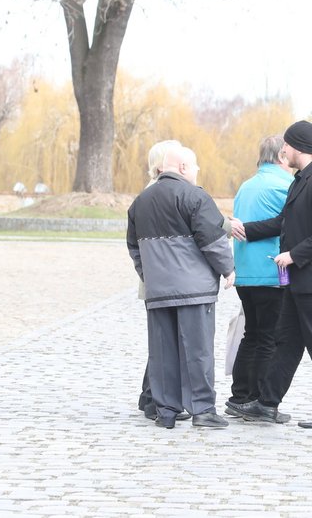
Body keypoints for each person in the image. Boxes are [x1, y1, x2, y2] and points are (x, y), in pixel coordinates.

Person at [229, 120, 312, 429]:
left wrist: (293, 255)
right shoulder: (301, 179)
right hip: (302, 281)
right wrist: (242, 229)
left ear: (297, 148)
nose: (282, 150)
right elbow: (282, 222)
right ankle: (267, 404)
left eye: (286, 145)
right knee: (287, 342)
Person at [127, 145, 235, 429]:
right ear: (184, 168)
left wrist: (149, 274)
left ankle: (166, 412)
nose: (197, 171)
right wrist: (228, 269)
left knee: (162, 353)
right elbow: (213, 240)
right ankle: (203, 410)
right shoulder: (195, 196)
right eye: (195, 165)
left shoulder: (140, 202)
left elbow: (134, 247)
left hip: (158, 291)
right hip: (194, 291)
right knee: (198, 351)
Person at [224, 135, 295, 423]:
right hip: (271, 271)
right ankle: (260, 400)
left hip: (246, 272)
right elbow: (296, 219)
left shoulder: (246, 185)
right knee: (269, 338)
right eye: (289, 154)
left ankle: (240, 396)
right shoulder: (284, 185)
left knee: (251, 335)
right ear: (281, 156)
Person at [137, 139, 182, 421]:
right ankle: (155, 399)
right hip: (162, 280)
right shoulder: (161, 193)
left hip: (155, 279)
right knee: (164, 343)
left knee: (161, 342)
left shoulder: (150, 192)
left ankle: (149, 395)